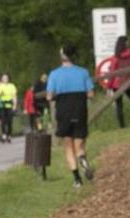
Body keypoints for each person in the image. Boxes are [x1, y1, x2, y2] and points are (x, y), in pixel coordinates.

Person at [46, 43, 96, 188]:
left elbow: (49, 97)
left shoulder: (54, 74)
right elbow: (91, 94)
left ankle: (77, 179)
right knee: (79, 144)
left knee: (68, 146)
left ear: (62, 56)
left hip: (64, 111)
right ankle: (82, 158)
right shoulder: (83, 72)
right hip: (80, 110)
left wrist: (57, 94)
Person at [98, 36, 130, 129]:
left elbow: (112, 73)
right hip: (129, 83)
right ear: (126, 44)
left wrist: (108, 87)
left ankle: (122, 127)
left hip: (117, 84)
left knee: (119, 106)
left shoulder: (115, 58)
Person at [0, 73, 18, 142]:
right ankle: (4, 135)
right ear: (2, 79)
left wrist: (15, 105)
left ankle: (9, 135)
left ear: (8, 79)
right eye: (3, 78)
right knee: (3, 121)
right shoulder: (0, 86)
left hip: (9, 106)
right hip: (2, 106)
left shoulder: (12, 86)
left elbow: (14, 96)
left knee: (9, 121)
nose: (5, 79)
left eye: (6, 78)